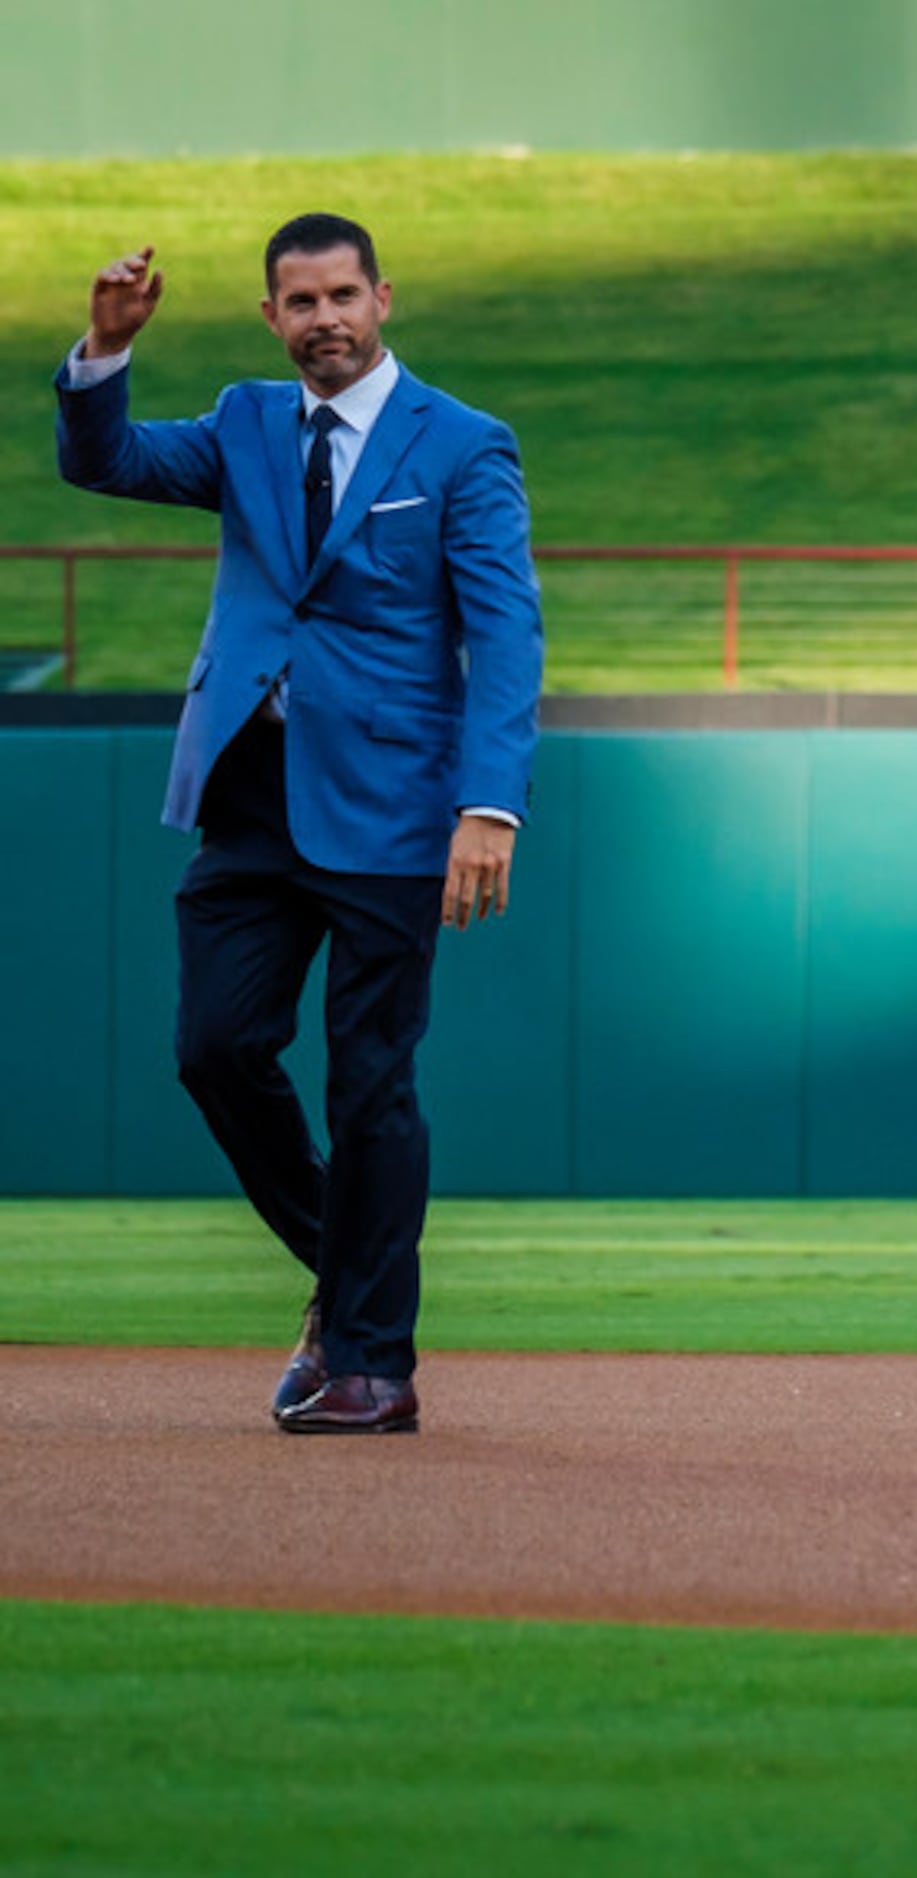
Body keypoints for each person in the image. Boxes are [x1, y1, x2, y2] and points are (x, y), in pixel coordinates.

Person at [54, 214, 544, 1435]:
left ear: (384, 298)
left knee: (371, 1082)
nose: (324, 318)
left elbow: (507, 634)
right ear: (271, 318)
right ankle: (348, 1277)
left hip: (391, 808)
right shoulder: (244, 424)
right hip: (248, 797)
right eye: (299, 301)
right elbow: (104, 465)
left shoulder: (465, 446)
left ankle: (372, 1364)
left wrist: (489, 807)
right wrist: (103, 354)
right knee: (213, 1050)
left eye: (343, 295)